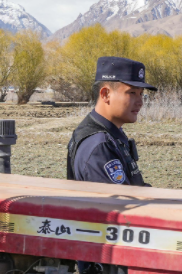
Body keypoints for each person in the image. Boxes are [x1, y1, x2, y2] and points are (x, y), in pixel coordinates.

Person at [66, 56, 156, 187]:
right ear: (105, 94)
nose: (140, 102)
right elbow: (121, 204)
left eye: (141, 94)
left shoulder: (109, 133)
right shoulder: (99, 146)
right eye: (132, 93)